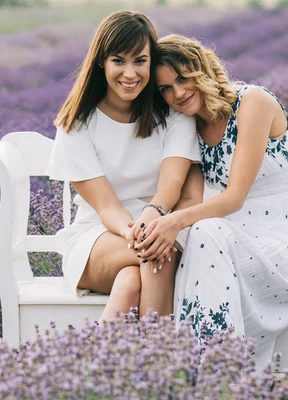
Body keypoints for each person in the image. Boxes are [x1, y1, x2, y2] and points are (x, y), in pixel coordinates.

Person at [133, 34, 288, 369]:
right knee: (201, 235)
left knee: (204, 233)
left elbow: (234, 197)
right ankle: (213, 368)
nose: (177, 93)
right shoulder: (189, 127)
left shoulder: (254, 101)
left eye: (182, 79)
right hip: (237, 244)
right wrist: (153, 227)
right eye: (165, 88)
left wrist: (172, 222)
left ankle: (200, 370)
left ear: (202, 68)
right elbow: (189, 195)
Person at [45, 12, 201, 323]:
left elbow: (172, 182)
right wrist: (137, 231)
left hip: (159, 225)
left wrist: (153, 216)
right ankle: (160, 357)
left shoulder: (172, 115)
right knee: (158, 252)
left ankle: (99, 367)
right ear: (101, 62)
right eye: (119, 61)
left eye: (140, 61)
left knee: (132, 280)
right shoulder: (77, 123)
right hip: (98, 238)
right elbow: (105, 205)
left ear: (151, 62)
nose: (130, 73)